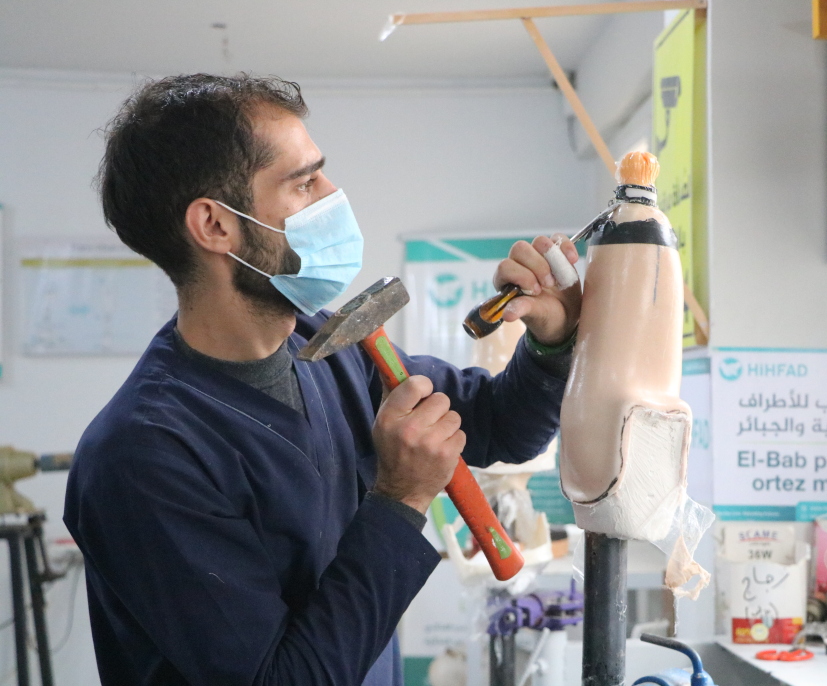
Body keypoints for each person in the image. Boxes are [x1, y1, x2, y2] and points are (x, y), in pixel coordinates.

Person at [63, 74, 582, 686]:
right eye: (304, 183)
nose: (334, 197)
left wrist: (551, 341)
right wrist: (401, 498)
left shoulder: (334, 348)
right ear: (215, 225)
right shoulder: (142, 455)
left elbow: (502, 426)